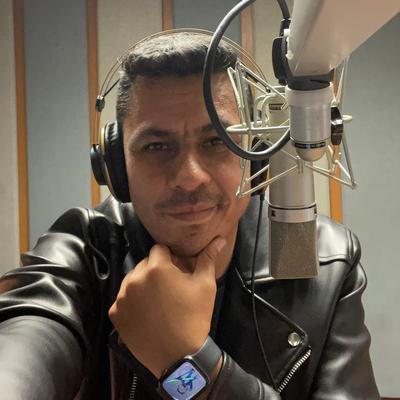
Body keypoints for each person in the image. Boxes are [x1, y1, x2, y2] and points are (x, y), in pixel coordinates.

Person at [0, 32, 379, 400]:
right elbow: (25, 346)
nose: (189, 177)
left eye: (217, 141)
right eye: (157, 146)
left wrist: (189, 363)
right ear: (116, 166)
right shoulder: (85, 250)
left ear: (256, 158)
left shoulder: (328, 261)